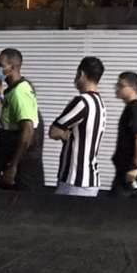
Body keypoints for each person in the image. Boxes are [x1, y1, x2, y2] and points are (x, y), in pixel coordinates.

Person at [49, 56, 106, 197]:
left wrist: (64, 134)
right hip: (90, 179)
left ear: (81, 74)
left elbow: (54, 131)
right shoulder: (100, 103)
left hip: (74, 181)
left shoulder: (82, 102)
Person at [0, 48, 45, 191]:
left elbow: (28, 130)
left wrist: (13, 166)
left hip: (23, 171)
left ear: (13, 67)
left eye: (0, 65)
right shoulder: (13, 91)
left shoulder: (19, 92)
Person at [112, 71, 137, 198]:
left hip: (132, 176)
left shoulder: (135, 109)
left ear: (132, 88)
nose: (116, 88)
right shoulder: (130, 108)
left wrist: (135, 167)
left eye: (120, 85)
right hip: (126, 173)